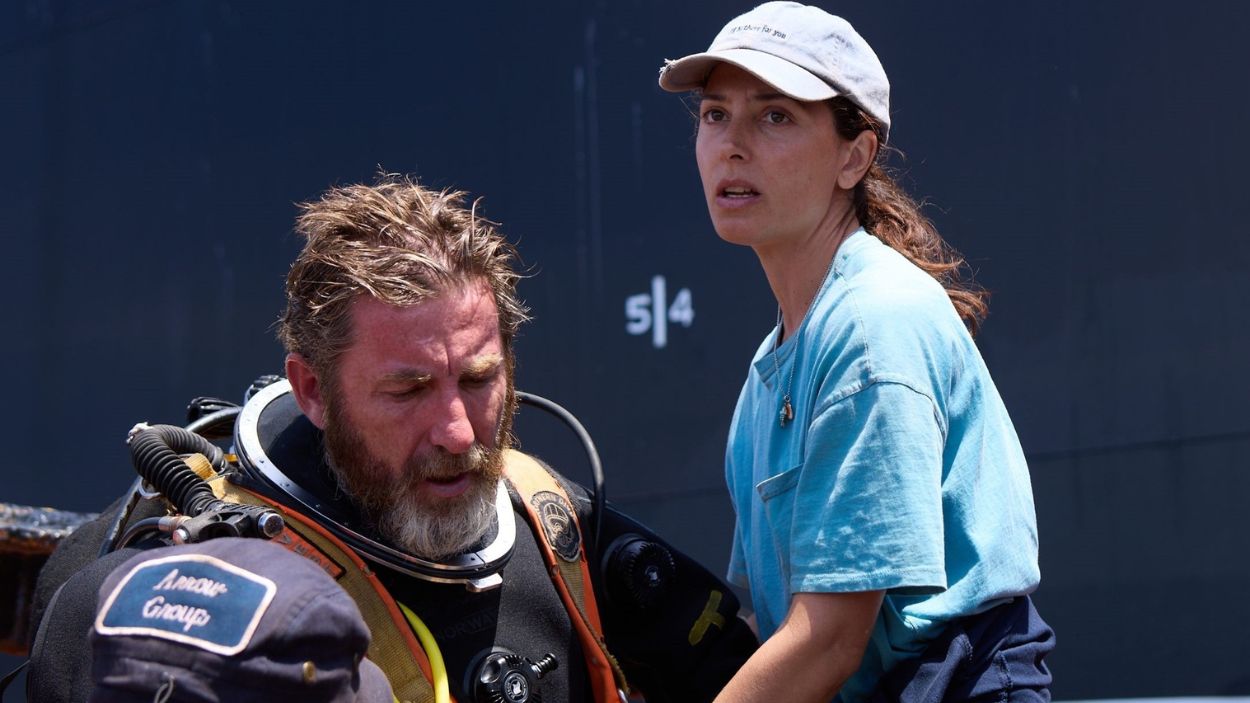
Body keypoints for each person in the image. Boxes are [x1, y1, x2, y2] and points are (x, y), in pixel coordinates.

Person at [25, 174, 757, 703]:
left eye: (478, 378)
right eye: (407, 390)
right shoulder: (211, 577)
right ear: (312, 390)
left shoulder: (551, 521)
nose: (458, 430)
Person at [657, 3, 1054, 702]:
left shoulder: (872, 326)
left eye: (775, 115)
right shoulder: (771, 367)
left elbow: (830, 638)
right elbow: (778, 627)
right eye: (716, 114)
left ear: (854, 155)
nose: (732, 143)